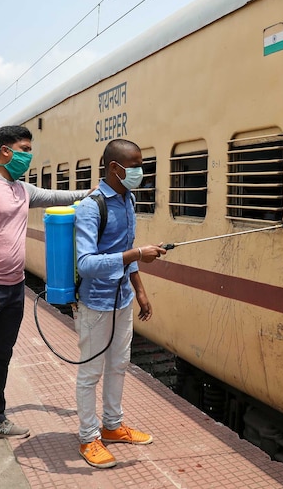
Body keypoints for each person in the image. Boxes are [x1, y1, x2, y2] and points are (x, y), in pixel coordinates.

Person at [0, 125, 93, 469]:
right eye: (24, 148)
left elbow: (57, 196)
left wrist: (92, 192)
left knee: (1, 356)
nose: (29, 154)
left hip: (13, 289)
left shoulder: (21, 189)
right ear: (6, 151)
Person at [73, 138, 166, 469]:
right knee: (90, 373)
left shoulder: (129, 199)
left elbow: (125, 247)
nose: (140, 171)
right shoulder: (90, 207)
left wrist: (139, 287)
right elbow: (86, 263)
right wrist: (137, 254)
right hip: (96, 305)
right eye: (136, 165)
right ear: (115, 168)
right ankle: (88, 437)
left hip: (123, 299)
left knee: (118, 365)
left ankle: (112, 426)